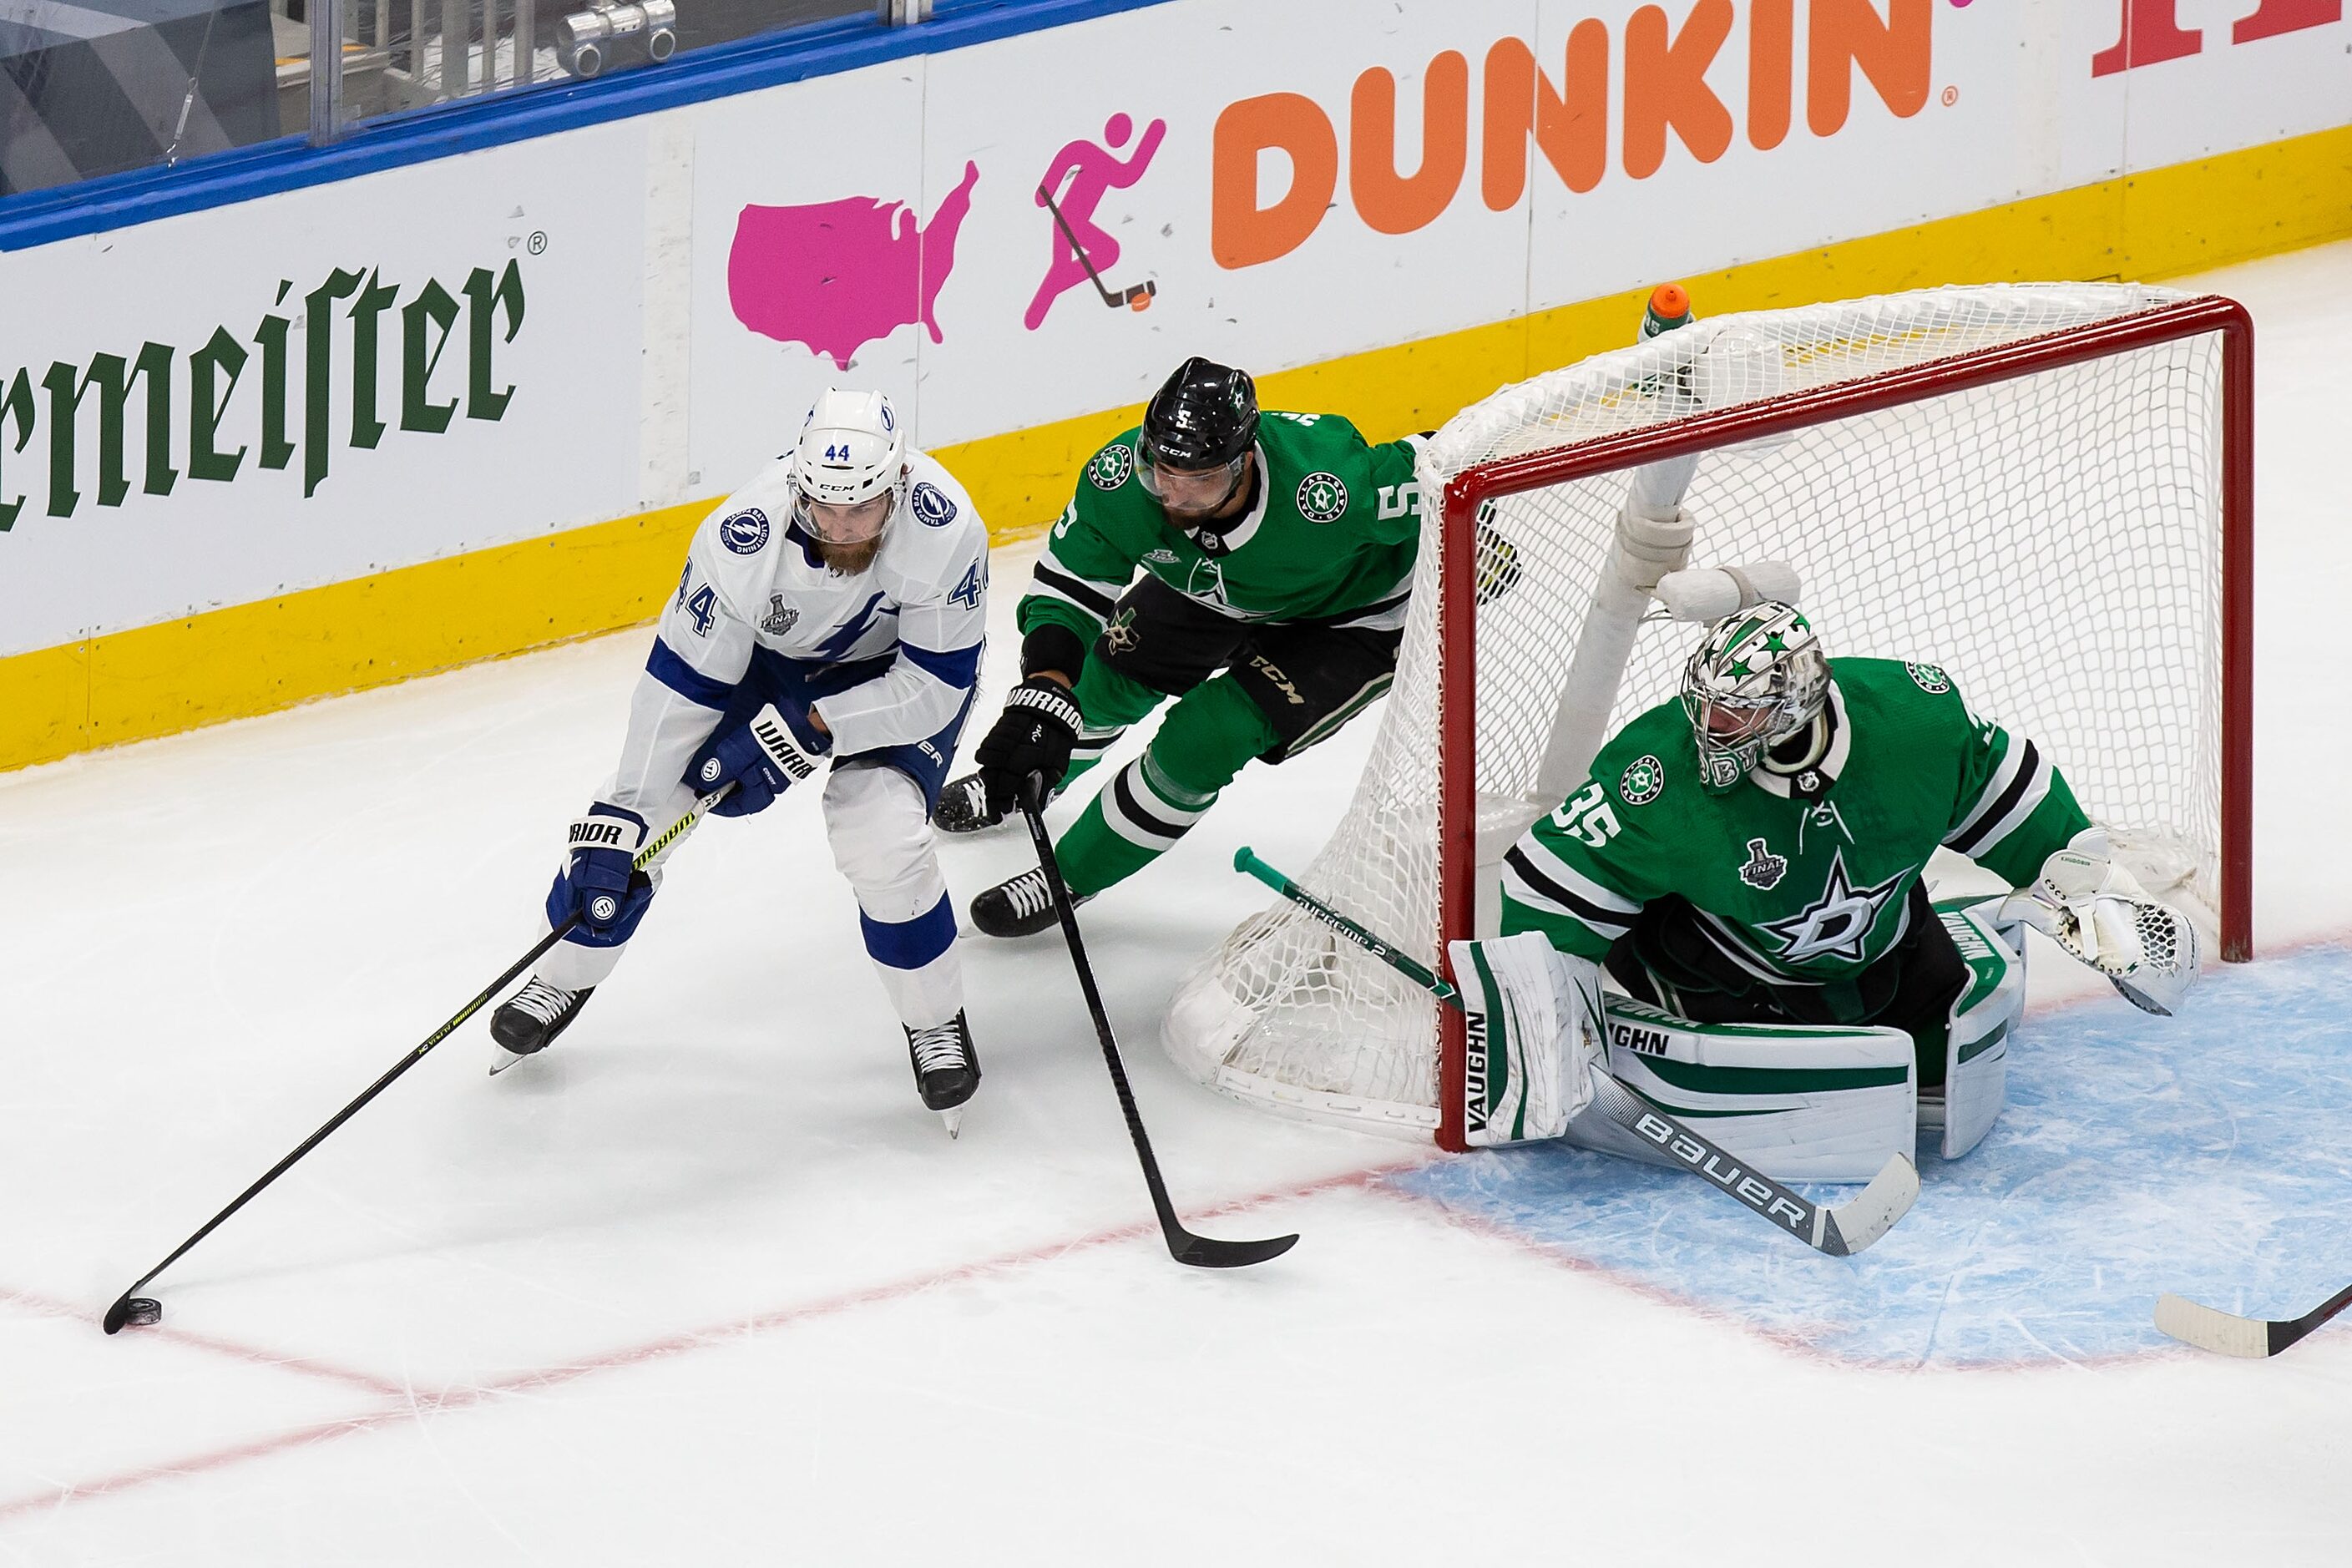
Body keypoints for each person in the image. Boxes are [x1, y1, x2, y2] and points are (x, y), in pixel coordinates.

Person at [1449, 602, 2200, 1174]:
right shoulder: (1656, 777)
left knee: (1937, 1063)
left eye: (1735, 713)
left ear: (1796, 705)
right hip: (1713, 971)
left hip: (1888, 944)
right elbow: (1548, 880)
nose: (1709, 728)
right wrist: (1552, 1014)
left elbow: (2005, 792)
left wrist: (2088, 889)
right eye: (1706, 704)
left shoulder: (1910, 718)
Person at [490, 388, 992, 1132]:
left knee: (880, 836)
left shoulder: (945, 530)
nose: (844, 529)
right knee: (637, 820)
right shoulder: (741, 537)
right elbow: (681, 685)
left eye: (864, 510)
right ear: (797, 488)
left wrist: (812, 728)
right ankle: (561, 976)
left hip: (897, 678)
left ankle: (933, 1020)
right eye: (826, 511)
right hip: (775, 663)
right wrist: (622, 809)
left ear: (898, 486)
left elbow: (935, 687)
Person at [935, 357, 1428, 938]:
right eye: (1159, 469)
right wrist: (1046, 686)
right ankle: (1023, 784)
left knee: (1206, 737)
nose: (1169, 493)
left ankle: (1069, 875)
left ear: (1244, 461)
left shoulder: (1331, 486)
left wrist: (1477, 540)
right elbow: (1069, 587)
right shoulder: (1121, 478)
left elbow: (1450, 462)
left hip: (1352, 619)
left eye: (1198, 481)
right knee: (1100, 680)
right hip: (1221, 591)